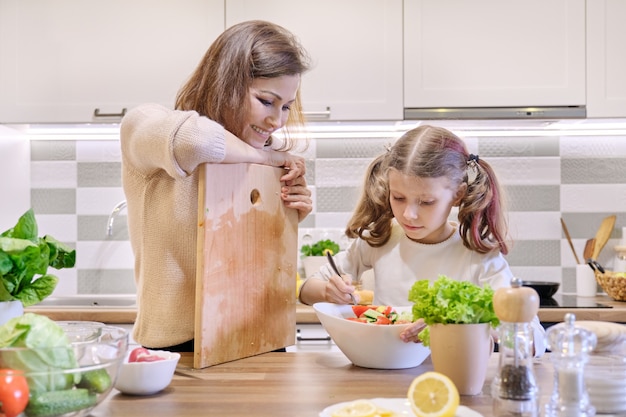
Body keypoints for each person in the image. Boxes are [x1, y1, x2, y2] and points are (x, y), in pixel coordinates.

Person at [120, 20, 313, 351]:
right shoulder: (150, 127)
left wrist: (290, 214)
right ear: (226, 83)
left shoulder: (261, 156)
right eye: (267, 101)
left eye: (286, 106)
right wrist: (265, 158)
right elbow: (199, 141)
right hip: (177, 349)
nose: (277, 120)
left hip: (257, 342)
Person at [299, 125, 546, 356]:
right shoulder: (381, 238)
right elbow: (305, 290)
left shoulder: (477, 253)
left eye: (426, 202)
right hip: (382, 369)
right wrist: (329, 291)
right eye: (398, 197)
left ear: (457, 194)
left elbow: (534, 340)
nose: (408, 214)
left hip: (450, 377)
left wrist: (458, 323)